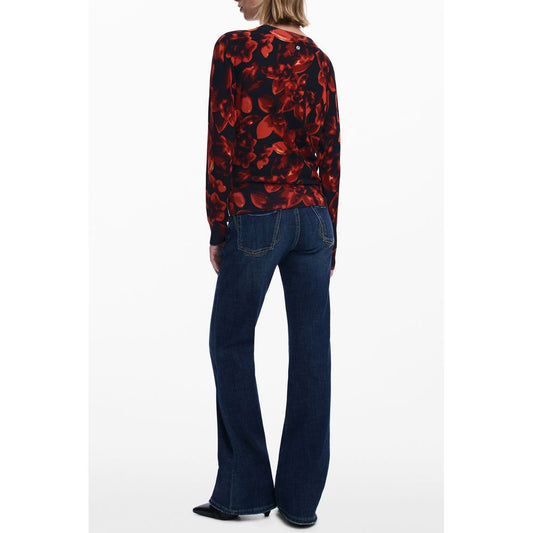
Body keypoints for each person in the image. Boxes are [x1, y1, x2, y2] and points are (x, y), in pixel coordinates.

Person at [193, 0, 340, 526]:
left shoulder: (234, 48)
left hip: (255, 214)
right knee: (312, 354)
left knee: (230, 342)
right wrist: (331, 236)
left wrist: (218, 223)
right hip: (313, 219)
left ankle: (244, 490)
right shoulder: (318, 58)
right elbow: (330, 152)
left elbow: (222, 139)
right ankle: (300, 503)